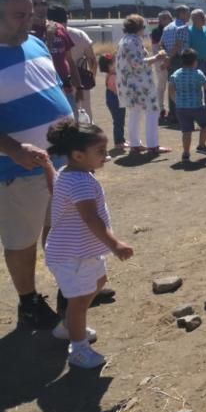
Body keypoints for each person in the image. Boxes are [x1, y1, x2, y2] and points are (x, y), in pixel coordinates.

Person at [0, 0, 73, 331]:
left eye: (32, 12)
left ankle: (69, 290)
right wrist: (14, 149)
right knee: (22, 240)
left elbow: (51, 91)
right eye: (20, 15)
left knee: (59, 230)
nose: (31, 20)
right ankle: (29, 302)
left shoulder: (36, 42)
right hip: (18, 169)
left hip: (58, 164)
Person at [44, 119, 134, 368]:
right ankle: (79, 349)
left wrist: (45, 167)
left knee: (98, 282)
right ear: (78, 155)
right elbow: (90, 218)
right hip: (72, 255)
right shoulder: (80, 181)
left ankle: (68, 327)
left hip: (82, 251)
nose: (106, 157)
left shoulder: (70, 173)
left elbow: (56, 190)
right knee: (79, 302)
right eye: (101, 152)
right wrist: (115, 244)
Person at [116, 14, 170, 154]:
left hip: (129, 84)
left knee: (135, 112)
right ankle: (152, 145)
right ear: (138, 28)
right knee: (152, 111)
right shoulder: (134, 41)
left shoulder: (124, 40)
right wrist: (156, 57)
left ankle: (135, 144)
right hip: (140, 84)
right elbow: (137, 63)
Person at [27, 0, 82, 115]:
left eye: (43, 3)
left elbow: (69, 60)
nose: (40, 8)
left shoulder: (59, 28)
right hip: (42, 92)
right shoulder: (25, 33)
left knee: (71, 130)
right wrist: (49, 40)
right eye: (35, 4)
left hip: (66, 89)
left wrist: (79, 87)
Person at [48, 5, 96, 121]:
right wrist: (91, 78)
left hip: (57, 81)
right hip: (81, 79)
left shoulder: (45, 36)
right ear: (66, 18)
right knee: (85, 112)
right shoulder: (80, 34)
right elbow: (92, 60)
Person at [168, 48, 206, 161]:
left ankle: (186, 153)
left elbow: (171, 91)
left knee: (186, 131)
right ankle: (201, 145)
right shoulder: (198, 73)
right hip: (197, 106)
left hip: (181, 108)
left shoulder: (175, 74)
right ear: (195, 61)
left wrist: (177, 101)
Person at [159, 5, 190, 122]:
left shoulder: (167, 27)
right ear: (182, 14)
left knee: (172, 86)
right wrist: (169, 58)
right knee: (182, 87)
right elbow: (177, 45)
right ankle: (180, 114)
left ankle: (173, 114)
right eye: (187, 13)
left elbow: (161, 44)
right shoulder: (182, 27)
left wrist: (166, 57)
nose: (189, 15)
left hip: (171, 60)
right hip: (180, 59)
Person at [188, 9, 206, 117]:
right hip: (196, 62)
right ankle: (198, 110)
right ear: (194, 19)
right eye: (202, 18)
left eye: (204, 17)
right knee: (196, 87)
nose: (204, 19)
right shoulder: (189, 31)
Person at [98, 53, 126, 152]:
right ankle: (118, 142)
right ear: (109, 66)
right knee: (118, 121)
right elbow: (118, 90)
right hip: (115, 99)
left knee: (120, 120)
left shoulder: (112, 75)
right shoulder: (113, 77)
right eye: (114, 62)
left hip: (114, 99)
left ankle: (121, 140)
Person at [151, 11, 172, 118]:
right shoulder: (156, 32)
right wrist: (162, 61)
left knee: (172, 85)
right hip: (161, 63)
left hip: (172, 61)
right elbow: (155, 49)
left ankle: (172, 108)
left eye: (167, 18)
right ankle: (160, 108)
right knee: (161, 85)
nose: (167, 20)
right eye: (164, 18)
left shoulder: (173, 29)